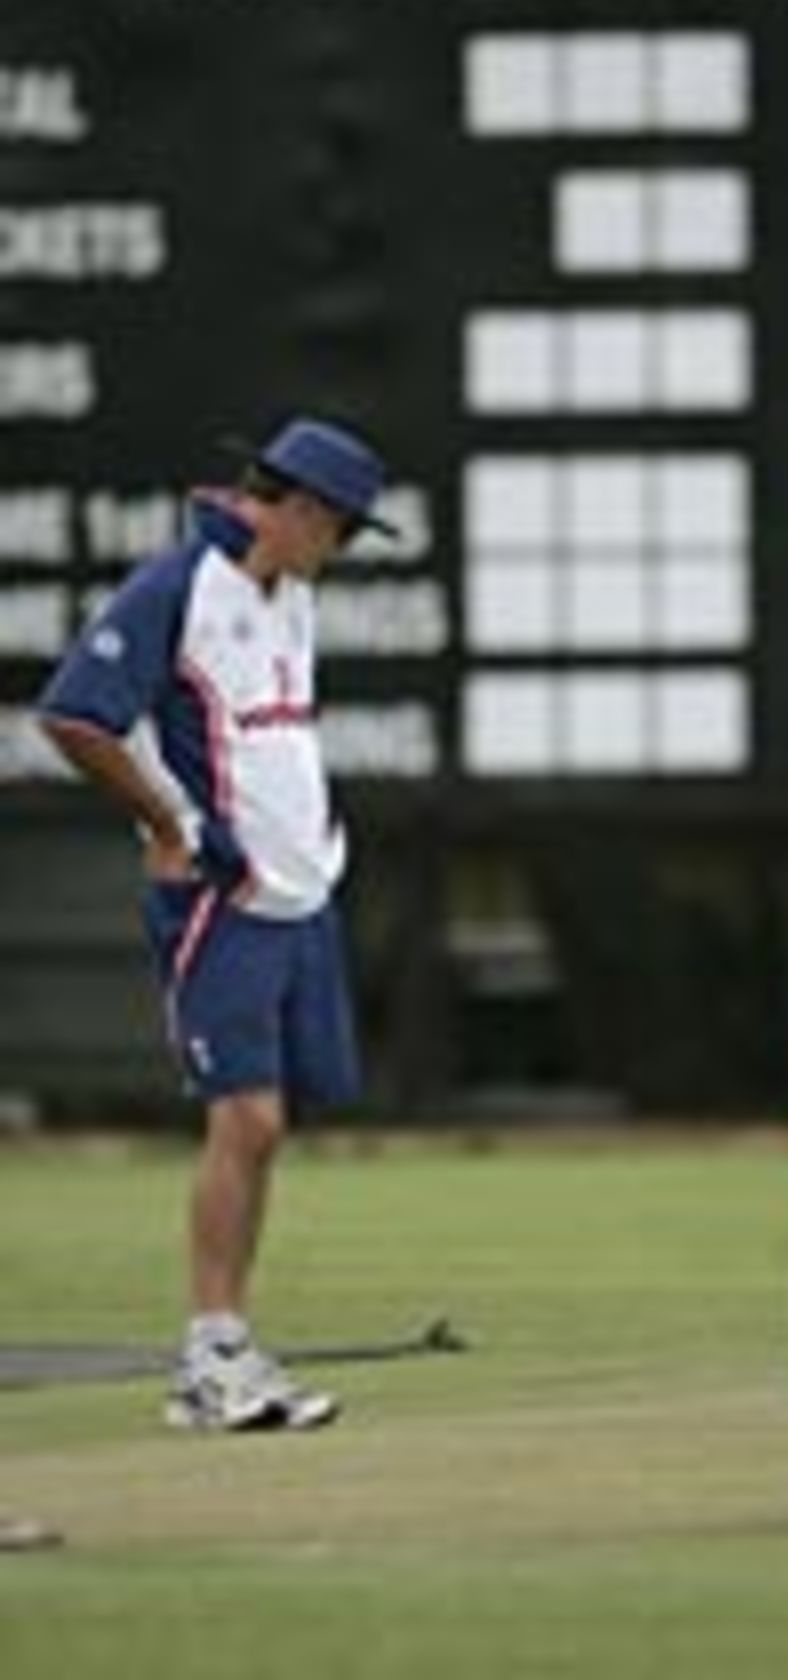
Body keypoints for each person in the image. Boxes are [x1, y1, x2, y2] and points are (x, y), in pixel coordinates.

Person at [37, 417, 396, 1433]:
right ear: (299, 508)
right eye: (346, 528)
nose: (348, 548)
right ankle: (210, 1355)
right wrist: (171, 821)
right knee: (249, 1118)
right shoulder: (179, 584)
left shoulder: (295, 594)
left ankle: (230, 1347)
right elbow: (72, 714)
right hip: (219, 897)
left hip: (298, 890)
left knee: (273, 1125)